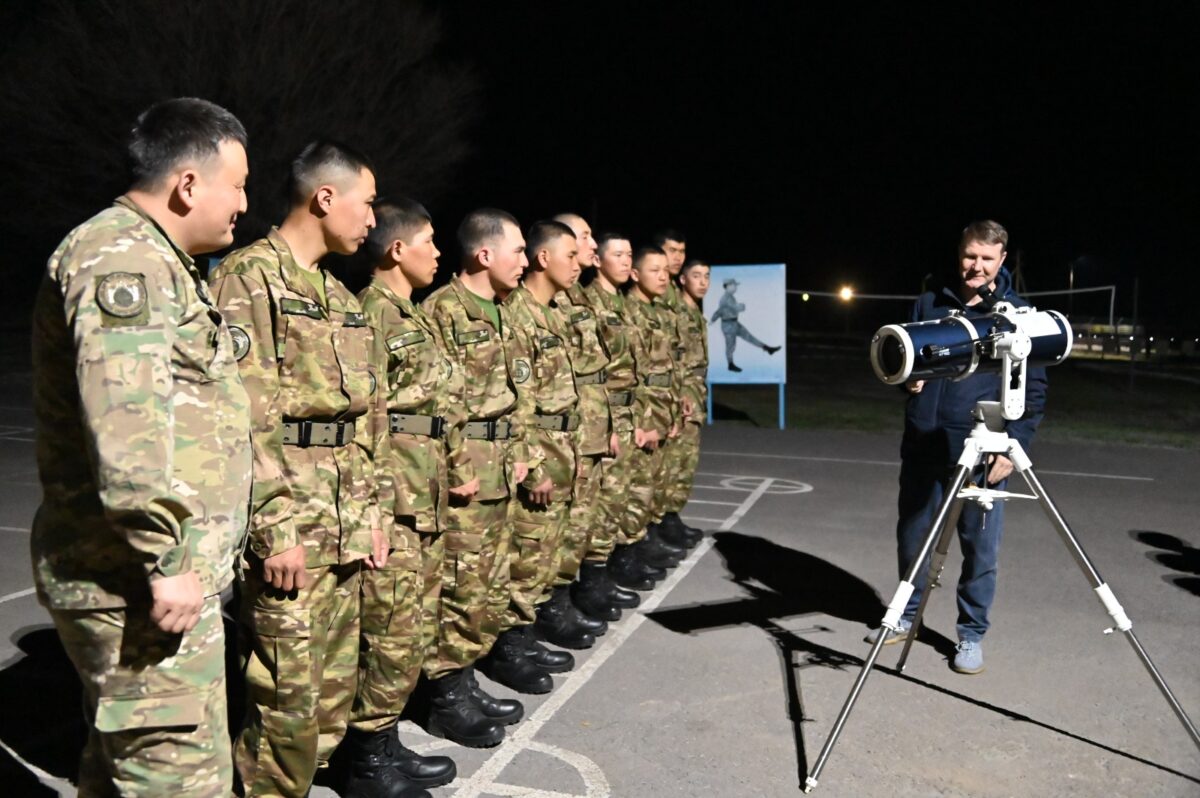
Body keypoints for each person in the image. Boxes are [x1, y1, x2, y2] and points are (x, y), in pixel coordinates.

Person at [32, 96, 252, 798]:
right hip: (133, 581)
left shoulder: (159, 259)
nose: (244, 204)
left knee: (123, 773)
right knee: (178, 780)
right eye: (237, 185)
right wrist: (167, 557)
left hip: (145, 579)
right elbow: (125, 421)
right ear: (187, 184)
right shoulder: (121, 257)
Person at [209, 141, 393, 797]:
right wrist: (273, 529)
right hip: (291, 530)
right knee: (284, 706)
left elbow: (365, 418)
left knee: (328, 705)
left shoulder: (338, 296)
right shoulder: (249, 278)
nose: (372, 219)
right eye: (367, 203)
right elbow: (245, 416)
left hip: (344, 526)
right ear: (325, 197)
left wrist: (373, 514)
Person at [866, 220, 1048, 675]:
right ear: (959, 254)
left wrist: (1013, 445)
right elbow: (904, 359)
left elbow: (1034, 390)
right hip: (924, 445)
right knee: (913, 539)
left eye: (987, 258)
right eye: (970, 256)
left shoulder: (1016, 315)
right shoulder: (930, 303)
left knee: (980, 550)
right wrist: (908, 382)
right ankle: (906, 616)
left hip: (980, 451)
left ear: (1002, 260)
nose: (977, 266)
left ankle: (971, 634)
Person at [349, 199, 466, 793]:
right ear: (398, 250)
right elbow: (365, 419)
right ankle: (364, 756)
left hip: (422, 494)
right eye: (429, 242)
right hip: (394, 499)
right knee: (389, 631)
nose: (439, 253)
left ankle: (385, 739)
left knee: (412, 626)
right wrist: (373, 507)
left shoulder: (409, 314)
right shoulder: (371, 314)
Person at [421, 208, 533, 747]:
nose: (526, 261)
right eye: (518, 250)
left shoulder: (505, 310)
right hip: (467, 473)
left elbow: (518, 392)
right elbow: (438, 402)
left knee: (488, 583)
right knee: (459, 584)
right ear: (484, 254)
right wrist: (458, 466)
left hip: (501, 467)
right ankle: (444, 696)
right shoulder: (443, 311)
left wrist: (522, 450)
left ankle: (464, 679)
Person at [482, 219, 591, 694]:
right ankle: (508, 648)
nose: (578, 264)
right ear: (544, 258)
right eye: (570, 255)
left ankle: (526, 636)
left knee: (545, 553)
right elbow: (519, 400)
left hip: (564, 447)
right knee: (525, 556)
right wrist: (536, 463)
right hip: (540, 452)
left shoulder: (554, 313)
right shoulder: (518, 314)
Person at [551, 213, 633, 623]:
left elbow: (602, 371)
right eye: (584, 237)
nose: (591, 244)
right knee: (566, 523)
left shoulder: (578, 298)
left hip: (594, 423)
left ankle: (584, 587)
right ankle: (556, 605)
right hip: (570, 431)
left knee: (589, 515)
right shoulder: (555, 301)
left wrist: (611, 424)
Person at [582, 234, 666, 593]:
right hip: (609, 415)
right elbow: (594, 376)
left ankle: (616, 564)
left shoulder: (625, 305)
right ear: (598, 261)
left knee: (625, 496)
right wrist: (608, 424)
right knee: (606, 501)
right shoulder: (591, 303)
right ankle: (594, 579)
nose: (625, 261)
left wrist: (646, 418)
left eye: (629, 254)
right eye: (617, 254)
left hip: (632, 412)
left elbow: (639, 371)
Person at [661, 258, 711, 541]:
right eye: (696, 276)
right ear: (682, 279)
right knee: (675, 460)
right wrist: (679, 395)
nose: (703, 282)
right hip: (683, 394)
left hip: (696, 392)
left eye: (706, 276)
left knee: (686, 462)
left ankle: (673, 516)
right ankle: (665, 520)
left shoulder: (696, 313)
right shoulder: (678, 312)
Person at [710, 278, 780, 371]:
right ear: (728, 286)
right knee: (731, 346)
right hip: (728, 325)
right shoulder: (725, 299)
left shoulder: (730, 297)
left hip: (734, 323)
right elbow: (721, 311)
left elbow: (726, 310)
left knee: (749, 337)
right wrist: (713, 320)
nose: (736, 288)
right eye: (734, 286)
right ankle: (730, 364)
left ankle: (767, 348)